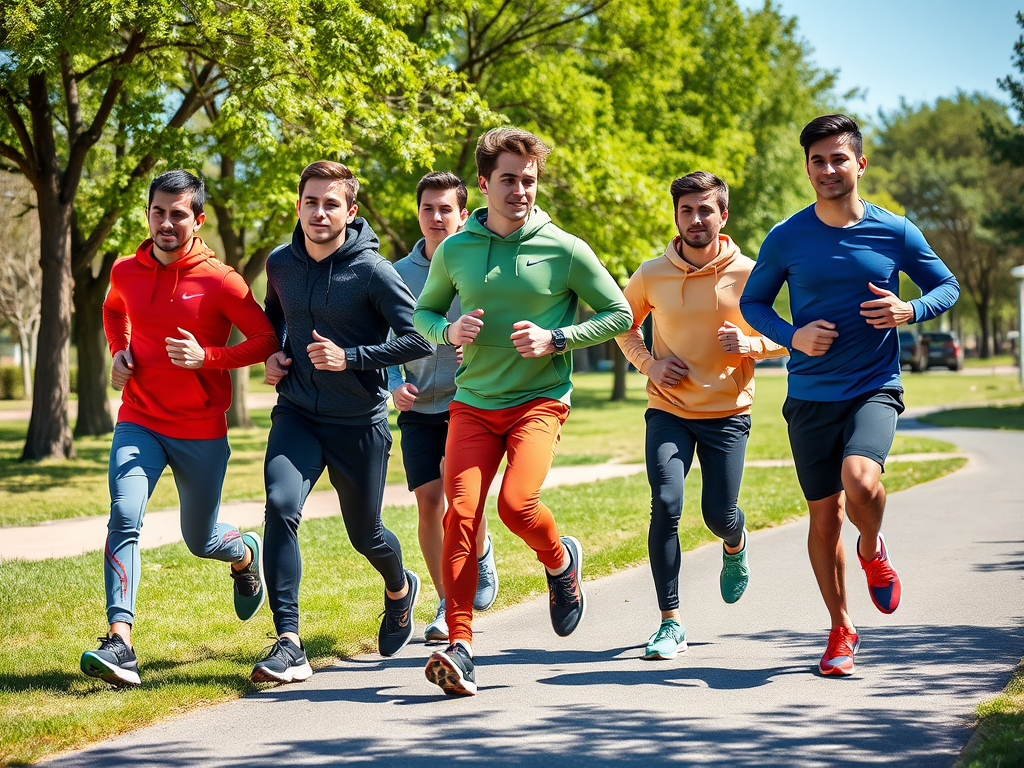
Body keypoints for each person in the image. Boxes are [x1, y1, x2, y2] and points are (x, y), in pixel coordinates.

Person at [414, 127, 633, 695]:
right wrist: (447, 328)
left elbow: (620, 314)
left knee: (515, 504)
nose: (520, 190)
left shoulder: (564, 247)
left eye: (529, 180)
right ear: (484, 184)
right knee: (459, 513)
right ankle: (460, 645)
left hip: (539, 401)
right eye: (508, 179)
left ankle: (560, 564)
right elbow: (424, 313)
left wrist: (557, 338)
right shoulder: (457, 248)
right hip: (473, 403)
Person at [740, 114, 959, 676]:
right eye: (817, 160)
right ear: (807, 167)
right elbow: (754, 303)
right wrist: (793, 336)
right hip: (810, 392)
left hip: (873, 385)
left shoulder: (896, 231)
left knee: (861, 481)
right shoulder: (786, 236)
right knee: (822, 517)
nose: (828, 169)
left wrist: (910, 310)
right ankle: (841, 629)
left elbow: (947, 286)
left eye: (839, 158)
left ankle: (872, 548)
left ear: (860, 163)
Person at [81, 170, 280, 688]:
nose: (166, 223)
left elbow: (264, 338)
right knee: (124, 517)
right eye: (157, 212)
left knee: (200, 539)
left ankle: (244, 552)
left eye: (177, 214)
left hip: (200, 430)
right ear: (147, 214)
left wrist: (206, 358)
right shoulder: (126, 271)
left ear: (198, 219)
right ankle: (120, 642)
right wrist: (118, 351)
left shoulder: (221, 279)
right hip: (139, 419)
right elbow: (112, 310)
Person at [251, 161, 433, 684]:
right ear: (299, 206)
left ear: (350, 212)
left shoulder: (374, 271)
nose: (320, 212)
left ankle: (400, 587)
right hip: (298, 413)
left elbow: (418, 339)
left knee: (366, 533)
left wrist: (350, 357)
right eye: (311, 202)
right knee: (281, 506)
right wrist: (275, 354)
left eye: (331, 204)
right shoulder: (280, 263)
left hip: (359, 420)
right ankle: (289, 641)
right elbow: (276, 317)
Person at [616, 171, 788, 662]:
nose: (696, 219)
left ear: (723, 215)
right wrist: (650, 363)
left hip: (728, 412)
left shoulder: (751, 272)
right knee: (666, 504)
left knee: (718, 515)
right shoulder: (651, 273)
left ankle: (735, 542)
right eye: (687, 209)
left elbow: (787, 335)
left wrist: (751, 344)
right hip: (668, 409)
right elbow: (622, 328)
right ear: (676, 215)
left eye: (705, 209)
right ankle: (670, 622)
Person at [386, 172, 499, 644]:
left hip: (467, 400)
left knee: (459, 496)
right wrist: (394, 382)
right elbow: (383, 341)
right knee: (428, 504)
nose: (436, 217)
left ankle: (481, 550)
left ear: (461, 212)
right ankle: (442, 596)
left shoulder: (480, 262)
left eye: (445, 209)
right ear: (418, 213)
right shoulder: (394, 273)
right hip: (417, 405)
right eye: (428, 209)